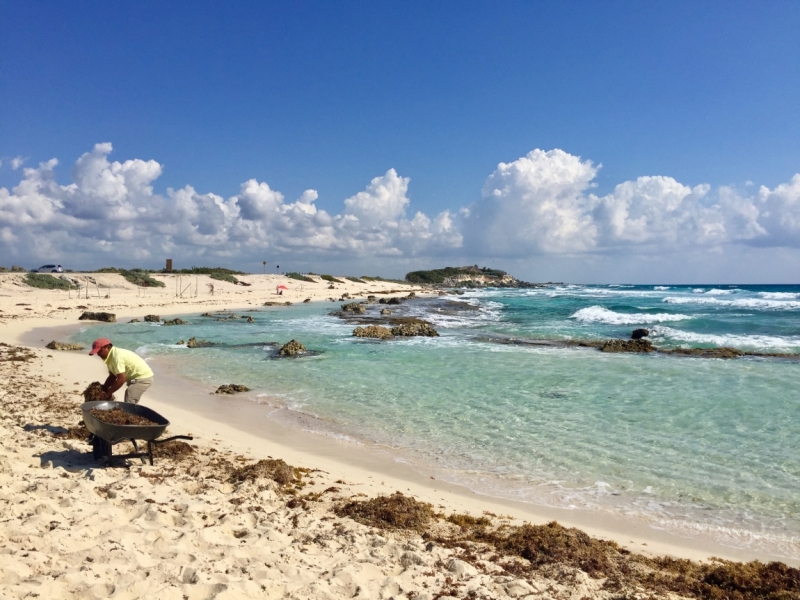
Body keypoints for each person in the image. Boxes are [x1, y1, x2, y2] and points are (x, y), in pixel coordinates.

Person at [89, 338, 154, 404]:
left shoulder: (117, 357)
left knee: (130, 396)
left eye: (100, 351)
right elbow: (112, 376)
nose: (98, 354)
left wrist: (106, 395)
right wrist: (104, 388)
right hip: (133, 379)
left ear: (107, 347)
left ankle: (130, 413)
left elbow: (121, 379)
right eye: (97, 352)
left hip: (143, 378)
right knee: (130, 396)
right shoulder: (109, 357)